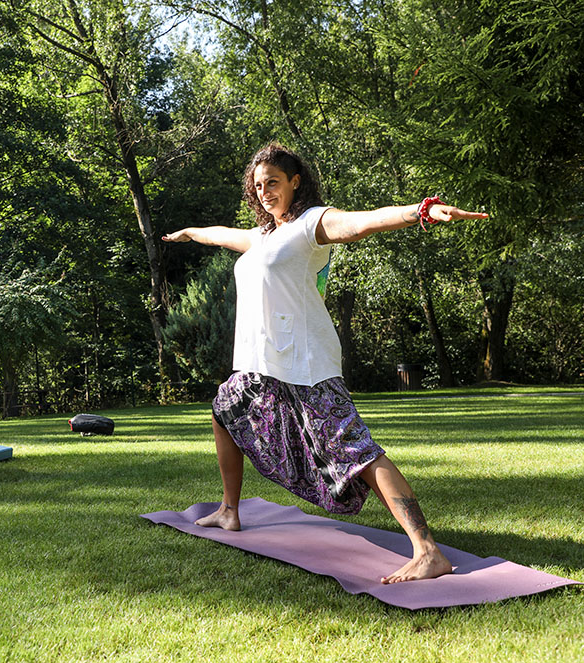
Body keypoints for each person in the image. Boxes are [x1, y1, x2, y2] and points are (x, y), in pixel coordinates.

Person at [162, 142, 489, 583]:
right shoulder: (262, 238)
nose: (264, 192)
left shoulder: (310, 224)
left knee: (357, 451)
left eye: (273, 183)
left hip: (305, 362)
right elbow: (222, 233)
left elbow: (359, 225)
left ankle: (428, 550)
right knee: (225, 408)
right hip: (262, 365)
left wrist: (422, 211)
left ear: (295, 182)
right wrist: (190, 232)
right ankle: (228, 510)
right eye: (258, 186)